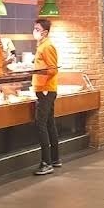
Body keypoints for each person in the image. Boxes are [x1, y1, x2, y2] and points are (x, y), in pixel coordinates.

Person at [32, 18, 60, 176]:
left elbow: (52, 69)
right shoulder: (42, 46)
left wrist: (38, 73)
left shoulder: (47, 46)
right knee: (49, 123)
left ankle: (46, 162)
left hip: (46, 90)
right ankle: (55, 159)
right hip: (45, 89)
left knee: (40, 124)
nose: (34, 31)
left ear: (45, 32)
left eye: (37, 29)